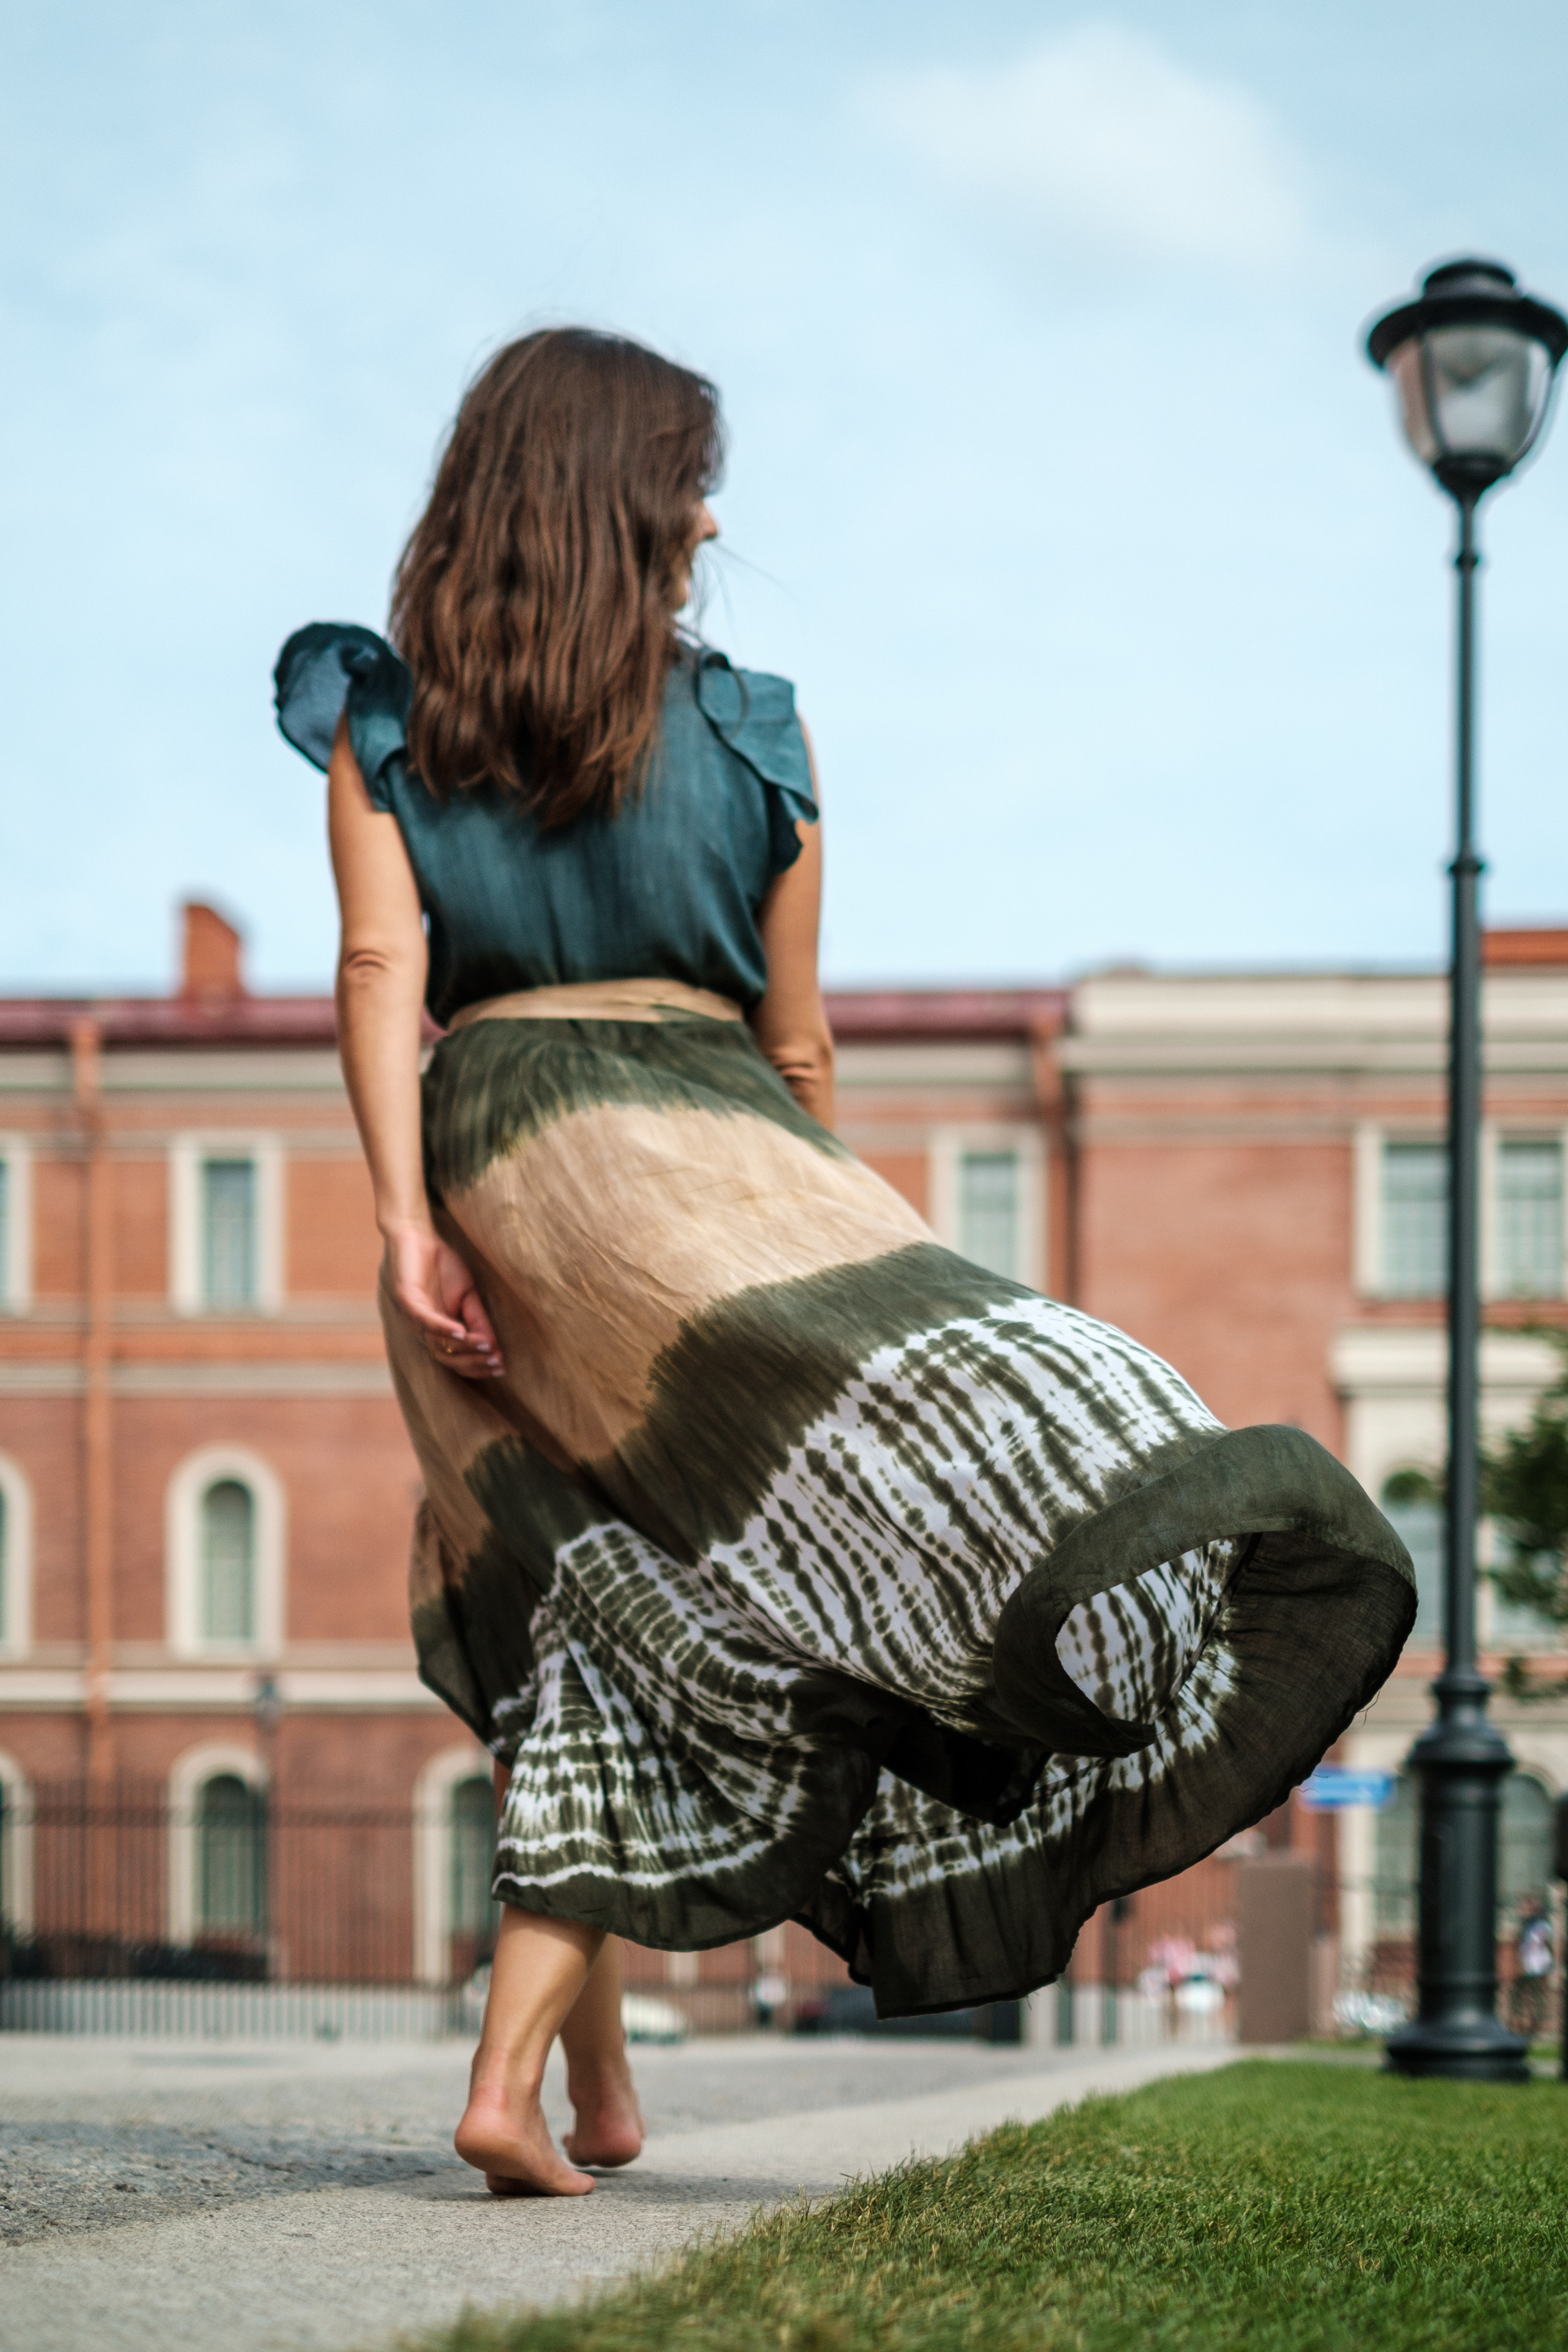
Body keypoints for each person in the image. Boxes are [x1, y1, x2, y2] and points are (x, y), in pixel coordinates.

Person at [276, 326, 1417, 2196]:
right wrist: (833, 1233)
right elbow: (797, 1043)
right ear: (637, 499)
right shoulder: (753, 727)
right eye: (694, 482)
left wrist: (411, 1222)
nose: (715, 518)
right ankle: (540, 2082)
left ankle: (581, 2092)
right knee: (915, 1463)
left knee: (582, 1604)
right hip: (706, 1160)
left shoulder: (389, 717)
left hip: (493, 1170)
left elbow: (380, 977)